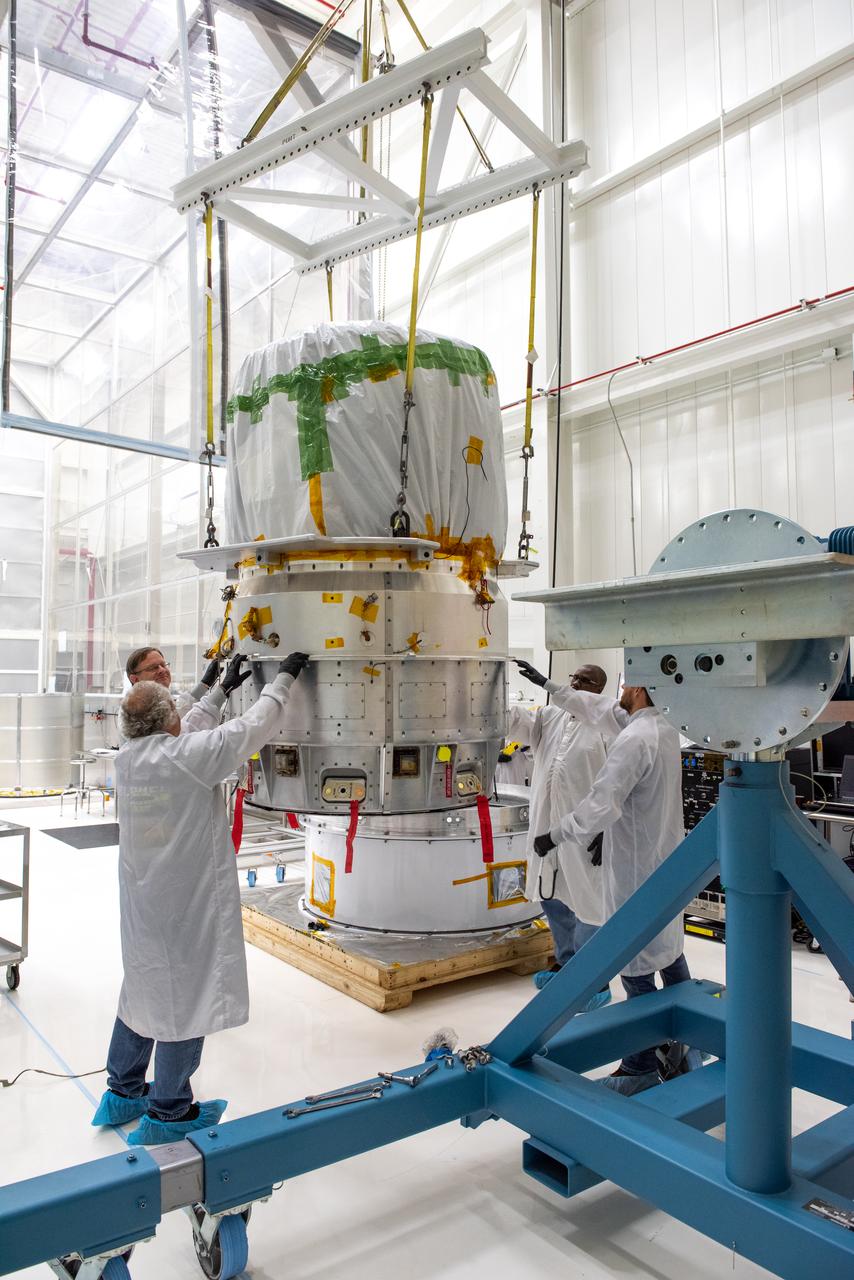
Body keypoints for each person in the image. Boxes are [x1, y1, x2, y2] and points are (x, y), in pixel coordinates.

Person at [91, 650, 310, 1145]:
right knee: (184, 1001)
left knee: (141, 991)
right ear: (166, 720)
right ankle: (169, 1110)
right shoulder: (187, 758)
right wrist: (284, 681)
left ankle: (123, 1090)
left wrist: (218, 689)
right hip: (183, 904)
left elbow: (188, 723)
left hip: (143, 901)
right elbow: (248, 730)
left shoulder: (130, 758)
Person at [516, 660, 697, 1095]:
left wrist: (554, 836)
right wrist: (550, 686)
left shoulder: (633, 739)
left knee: (633, 961)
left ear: (637, 686)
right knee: (668, 952)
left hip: (634, 866)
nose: (617, 689)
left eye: (623, 681)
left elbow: (600, 804)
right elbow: (598, 709)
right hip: (662, 860)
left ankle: (639, 1066)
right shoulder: (662, 727)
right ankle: (688, 1044)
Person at [508, 662, 614, 1003]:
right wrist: (491, 679)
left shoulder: (609, 726)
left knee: (588, 902)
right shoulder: (549, 718)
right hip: (547, 826)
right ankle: (566, 963)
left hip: (586, 832)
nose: (577, 682)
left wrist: (608, 830)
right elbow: (513, 723)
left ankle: (593, 978)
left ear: (599, 690)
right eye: (575, 677)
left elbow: (620, 784)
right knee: (552, 895)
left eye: (586, 680)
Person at [124, 646, 222, 725]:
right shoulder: (137, 713)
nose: (162, 670)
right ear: (135, 679)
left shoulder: (160, 702)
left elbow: (180, 711)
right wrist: (223, 691)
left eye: (163, 665)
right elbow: (182, 729)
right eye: (153, 668)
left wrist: (205, 683)